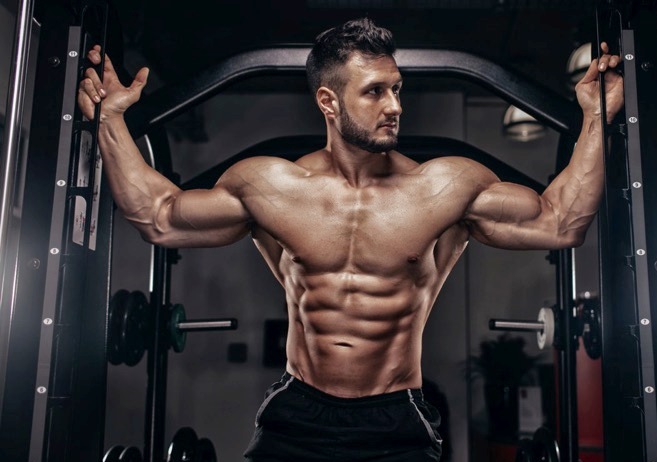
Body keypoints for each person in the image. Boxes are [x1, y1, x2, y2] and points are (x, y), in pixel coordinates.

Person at [78, 18, 623, 462]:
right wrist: (112, 120)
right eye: (375, 92)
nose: (395, 106)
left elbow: (560, 223)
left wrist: (595, 119)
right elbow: (159, 217)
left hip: (395, 416)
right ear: (329, 102)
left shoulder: (443, 186)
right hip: (298, 413)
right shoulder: (272, 186)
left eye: (397, 89)